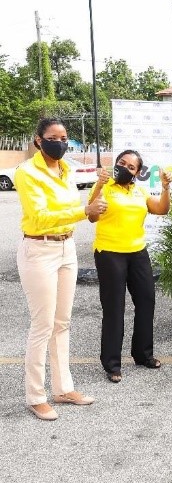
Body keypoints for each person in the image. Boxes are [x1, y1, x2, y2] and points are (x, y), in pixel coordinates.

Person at [15, 117, 106, 420]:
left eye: (65, 137)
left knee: (62, 322)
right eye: (54, 137)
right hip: (39, 249)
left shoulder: (66, 169)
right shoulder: (27, 172)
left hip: (66, 247)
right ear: (38, 140)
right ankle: (35, 395)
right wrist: (83, 211)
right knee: (42, 325)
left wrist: (91, 203)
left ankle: (63, 388)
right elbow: (39, 216)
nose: (61, 142)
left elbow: (72, 210)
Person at [88, 150, 172, 383]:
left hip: (137, 252)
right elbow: (92, 216)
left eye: (131, 167)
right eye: (121, 163)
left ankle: (143, 354)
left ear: (137, 173)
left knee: (146, 300)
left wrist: (166, 188)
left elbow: (162, 209)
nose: (125, 168)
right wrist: (99, 184)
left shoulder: (139, 191)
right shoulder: (106, 186)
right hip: (109, 253)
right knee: (114, 307)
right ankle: (112, 363)